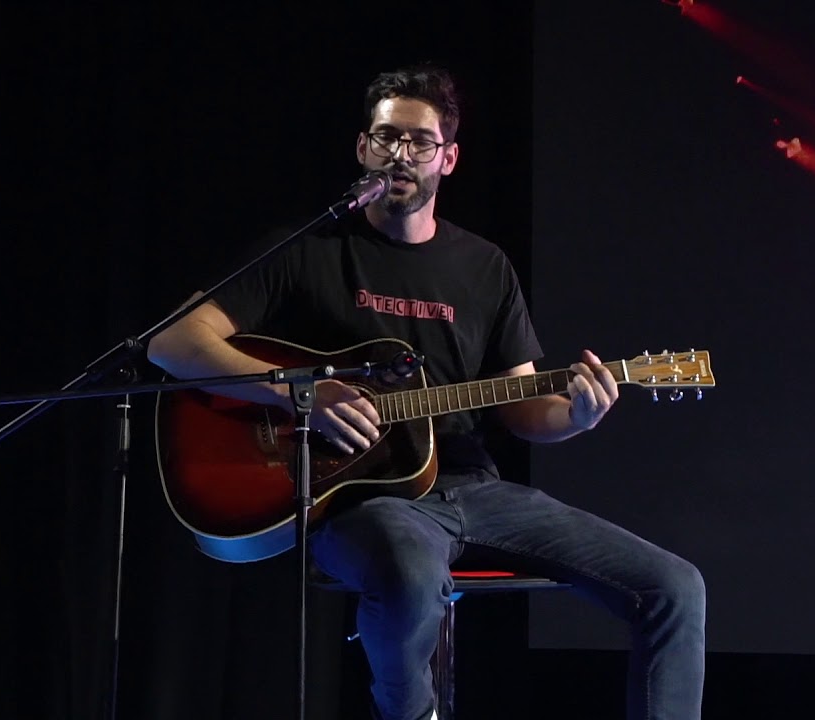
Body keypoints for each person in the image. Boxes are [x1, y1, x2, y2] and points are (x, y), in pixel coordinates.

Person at [146, 64, 706, 720]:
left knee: (675, 586)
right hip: (365, 501)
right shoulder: (310, 251)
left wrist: (577, 415)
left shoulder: (483, 267)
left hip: (477, 489)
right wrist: (300, 394)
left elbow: (522, 404)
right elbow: (173, 342)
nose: (401, 155)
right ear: (364, 148)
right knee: (410, 578)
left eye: (418, 142)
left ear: (449, 157)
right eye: (387, 139)